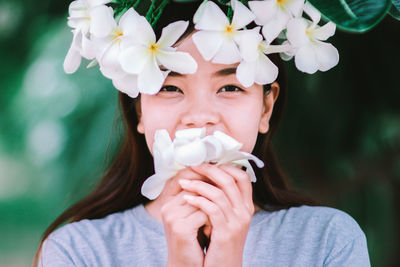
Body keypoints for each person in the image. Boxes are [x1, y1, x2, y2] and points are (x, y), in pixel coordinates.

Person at [34, 0, 370, 266]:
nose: (199, 118)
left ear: (265, 108)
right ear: (138, 110)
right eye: (170, 88)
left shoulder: (327, 240)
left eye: (229, 87)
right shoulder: (78, 252)